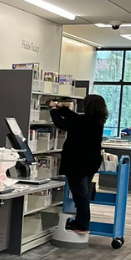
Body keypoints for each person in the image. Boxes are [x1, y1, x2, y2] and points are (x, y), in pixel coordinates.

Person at [49, 96, 107, 235]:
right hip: (91, 162)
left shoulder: (83, 121)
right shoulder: (96, 120)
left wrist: (52, 110)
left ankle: (82, 225)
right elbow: (74, 119)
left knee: (80, 195)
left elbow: (62, 124)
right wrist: (62, 108)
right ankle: (81, 222)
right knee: (83, 193)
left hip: (77, 163)